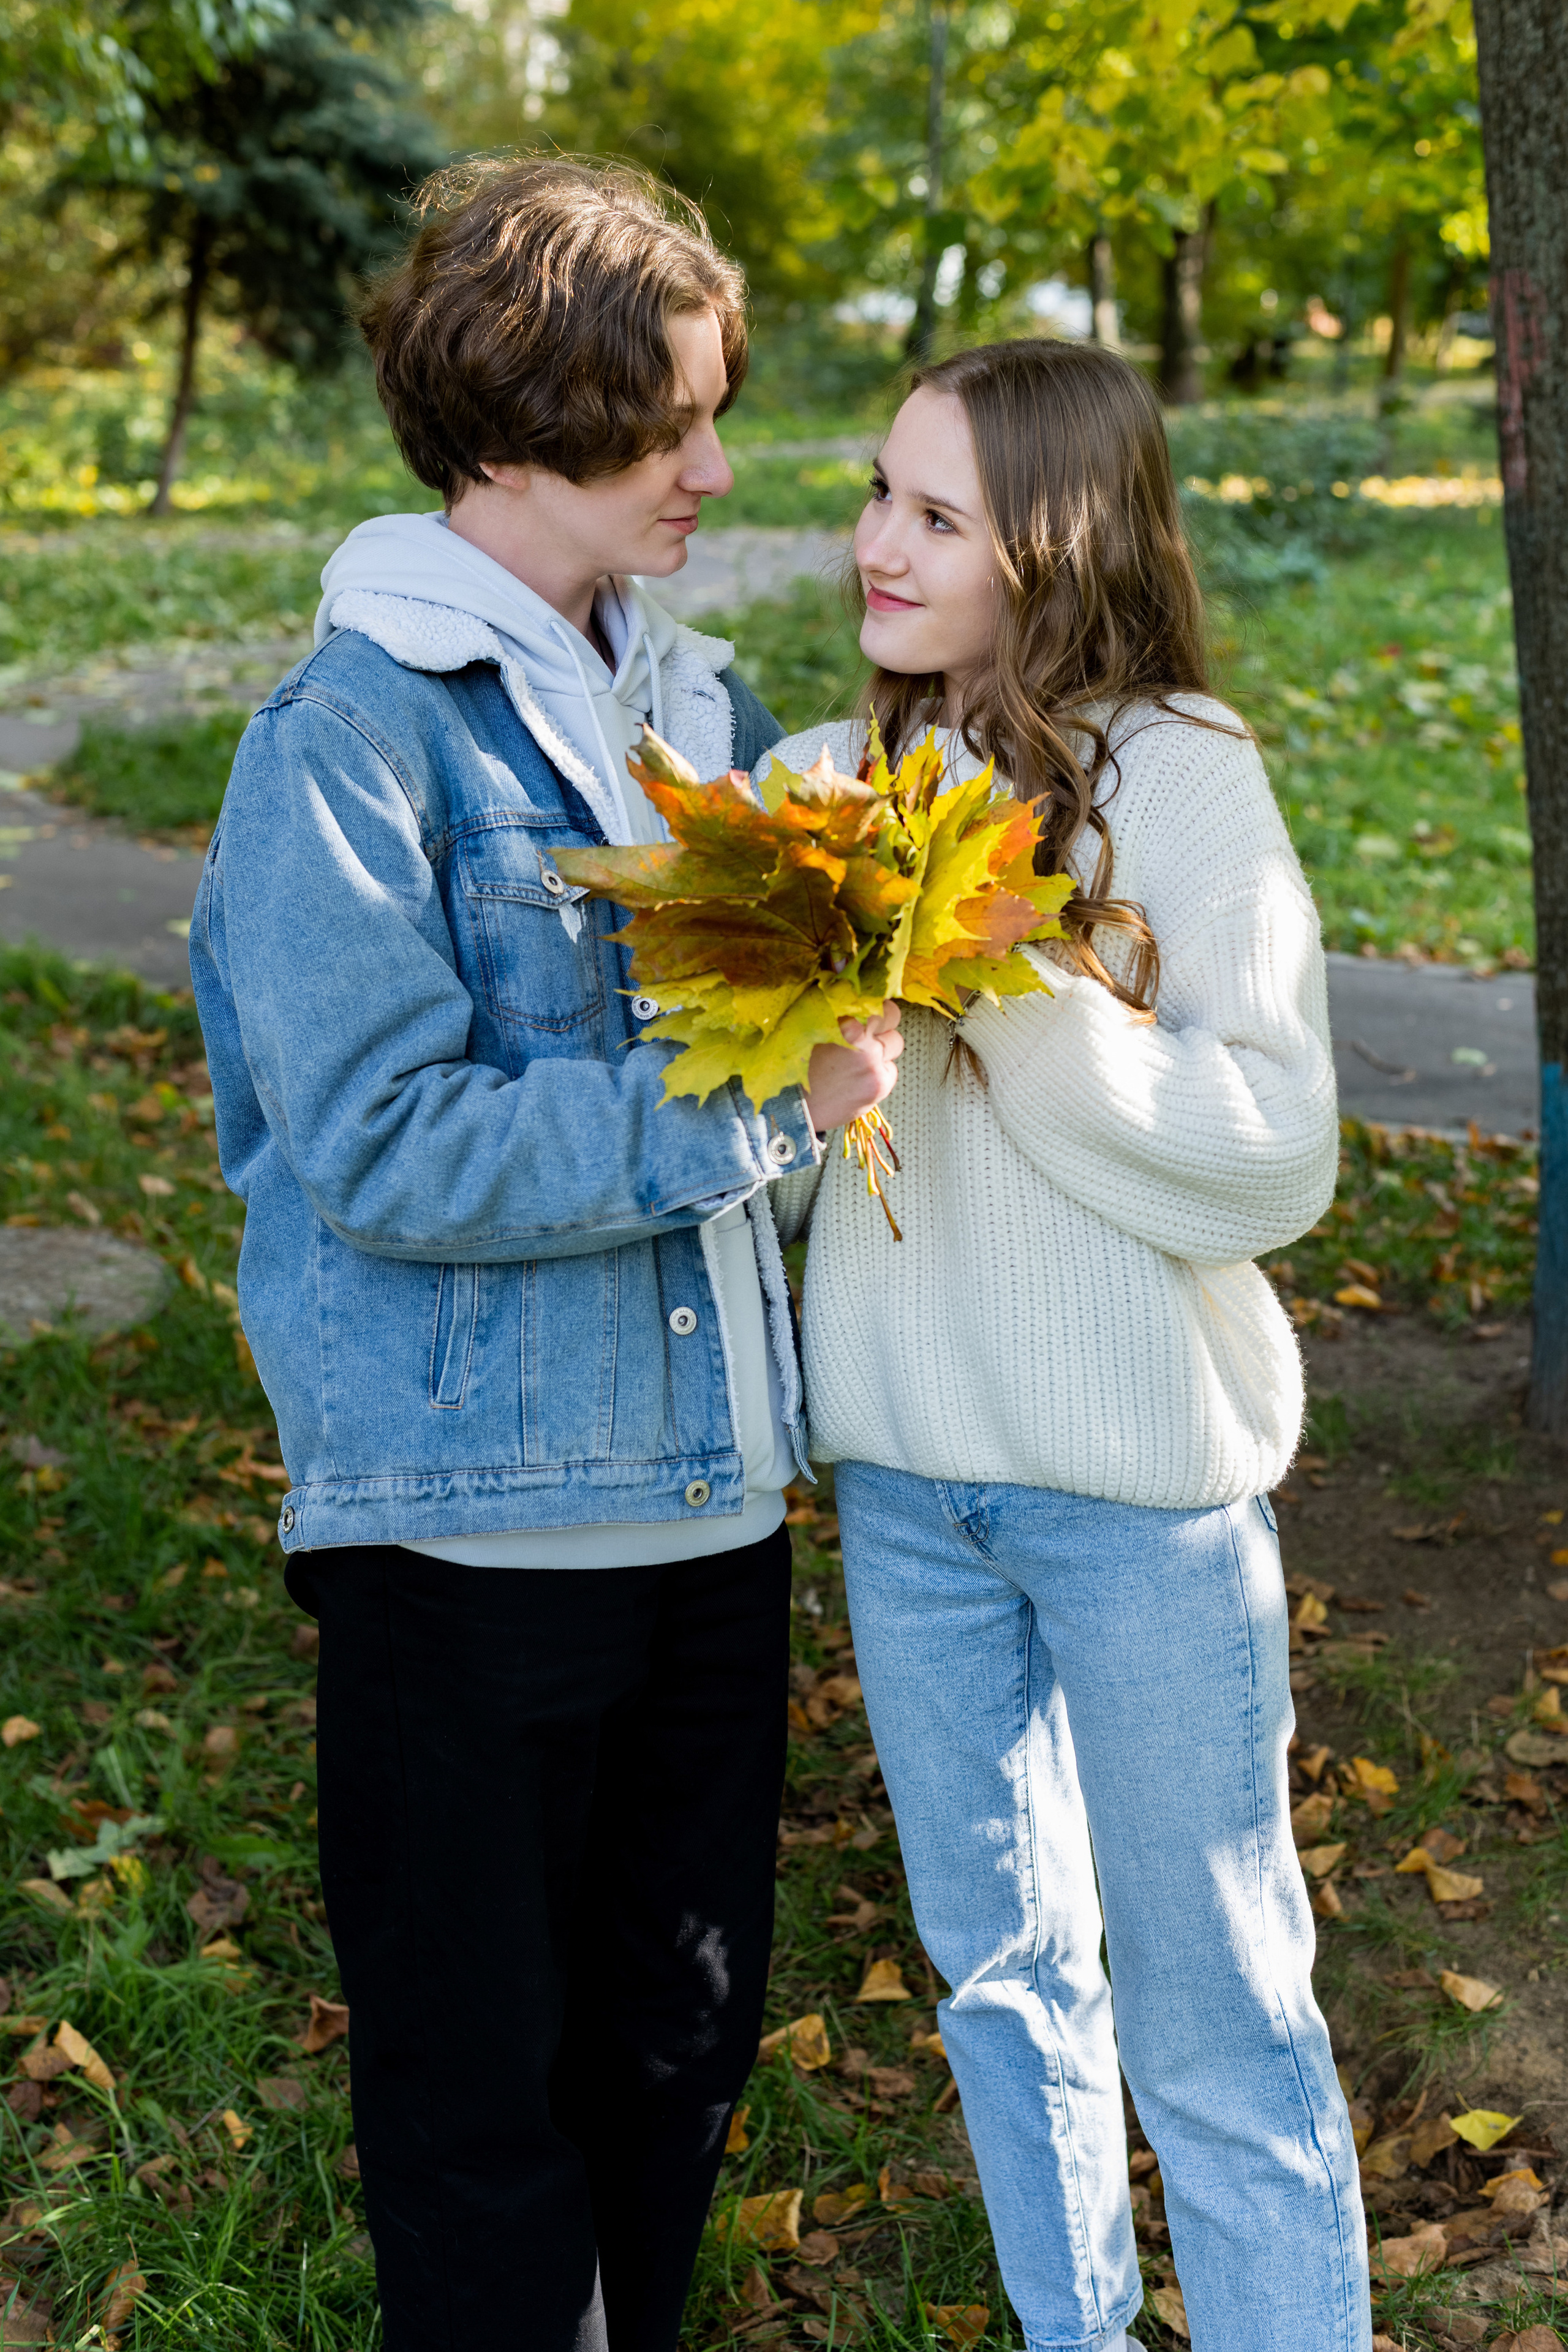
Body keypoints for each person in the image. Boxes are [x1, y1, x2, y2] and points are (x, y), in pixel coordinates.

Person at [187, 157, 902, 2352]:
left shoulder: (686, 718)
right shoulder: (351, 737)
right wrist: (760, 1109)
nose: (710, 465)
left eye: (711, 412)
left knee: (673, 2068)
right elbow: (389, 1145)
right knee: (479, 2104)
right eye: (665, 423)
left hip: (704, 1505)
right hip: (467, 1543)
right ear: (519, 422)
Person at [763, 339, 1369, 2352]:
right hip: (914, 1493)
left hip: (1143, 1504)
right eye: (875, 495)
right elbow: (797, 1167)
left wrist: (1002, 983)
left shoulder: (1183, 771)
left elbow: (1271, 1154)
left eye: (935, 516)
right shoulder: (844, 782)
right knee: (1006, 1980)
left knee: (1215, 2000)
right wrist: (786, 1045)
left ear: (1060, 535)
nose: (876, 544)